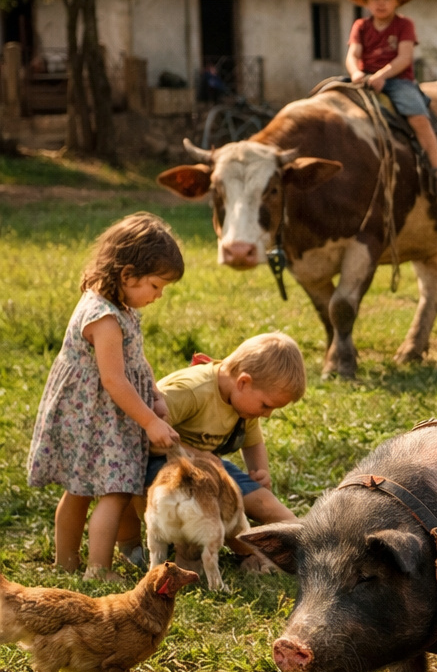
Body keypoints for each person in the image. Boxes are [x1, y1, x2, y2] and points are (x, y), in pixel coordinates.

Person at [27, 213, 185, 583]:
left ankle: (64, 564)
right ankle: (97, 570)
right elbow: (114, 380)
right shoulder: (105, 318)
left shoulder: (119, 307)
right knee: (112, 492)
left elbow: (136, 361)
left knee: (77, 490)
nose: (158, 295)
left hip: (95, 414)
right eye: (156, 285)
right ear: (127, 275)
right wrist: (148, 420)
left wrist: (155, 395)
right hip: (98, 418)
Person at [143, 333, 306, 553]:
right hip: (163, 466)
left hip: (212, 469)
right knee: (218, 515)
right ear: (243, 382)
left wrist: (260, 472)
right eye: (266, 406)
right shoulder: (190, 391)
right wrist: (195, 455)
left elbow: (253, 441)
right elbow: (144, 434)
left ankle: (307, 541)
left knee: (265, 503)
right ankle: (252, 553)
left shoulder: (244, 406)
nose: (267, 415)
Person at [346, 0, 437, 205]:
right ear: (366, 2)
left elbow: (404, 58)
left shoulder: (404, 25)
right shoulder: (361, 26)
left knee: (419, 119)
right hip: (364, 79)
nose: (381, 3)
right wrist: (356, 73)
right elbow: (352, 54)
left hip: (397, 80)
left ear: (397, 1)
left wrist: (382, 76)